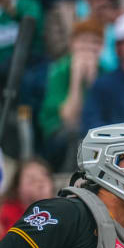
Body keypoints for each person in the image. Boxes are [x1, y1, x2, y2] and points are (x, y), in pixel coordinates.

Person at [39, 18, 107, 169]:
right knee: (77, 137)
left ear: (101, 47)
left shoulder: (105, 73)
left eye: (94, 42)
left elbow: (101, 117)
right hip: (59, 135)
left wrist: (92, 82)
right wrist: (76, 79)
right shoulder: (59, 70)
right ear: (72, 44)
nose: (88, 48)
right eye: (83, 41)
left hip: (94, 134)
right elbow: (69, 119)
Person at [0, 157, 54, 248]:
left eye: (44, 177)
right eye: (32, 180)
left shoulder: (61, 214)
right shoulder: (6, 215)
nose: (40, 184)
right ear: (17, 188)